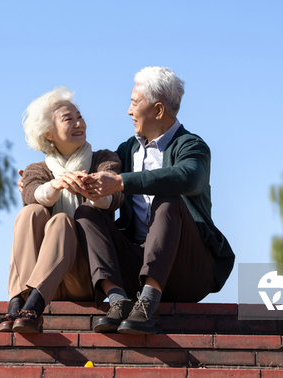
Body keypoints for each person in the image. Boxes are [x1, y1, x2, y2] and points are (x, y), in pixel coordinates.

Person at [74, 66, 235, 335]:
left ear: (158, 110)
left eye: (135, 103)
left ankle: (149, 302)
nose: (129, 111)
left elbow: (188, 177)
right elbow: (91, 166)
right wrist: (43, 179)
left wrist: (123, 182)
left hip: (187, 271)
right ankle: (119, 301)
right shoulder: (127, 150)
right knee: (87, 213)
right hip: (136, 266)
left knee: (168, 198)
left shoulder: (192, 146)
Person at [0, 86, 123, 334]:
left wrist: (94, 191)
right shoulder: (37, 170)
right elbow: (31, 194)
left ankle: (33, 308)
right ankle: (17, 301)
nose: (79, 123)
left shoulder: (104, 160)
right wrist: (56, 184)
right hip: (44, 278)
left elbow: (115, 200)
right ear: (49, 133)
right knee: (30, 213)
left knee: (61, 222)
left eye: (80, 116)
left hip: (85, 276)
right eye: (69, 119)